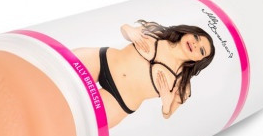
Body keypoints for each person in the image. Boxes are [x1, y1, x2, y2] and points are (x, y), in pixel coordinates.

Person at [73, 19, 215, 128]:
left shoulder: (183, 84)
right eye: (196, 37)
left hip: (118, 100)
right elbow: (125, 28)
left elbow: (167, 114)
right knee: (63, 70)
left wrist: (166, 102)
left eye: (201, 50)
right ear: (188, 32)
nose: (195, 44)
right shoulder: (159, 31)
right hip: (102, 60)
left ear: (199, 60)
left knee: (77, 125)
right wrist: (129, 30)